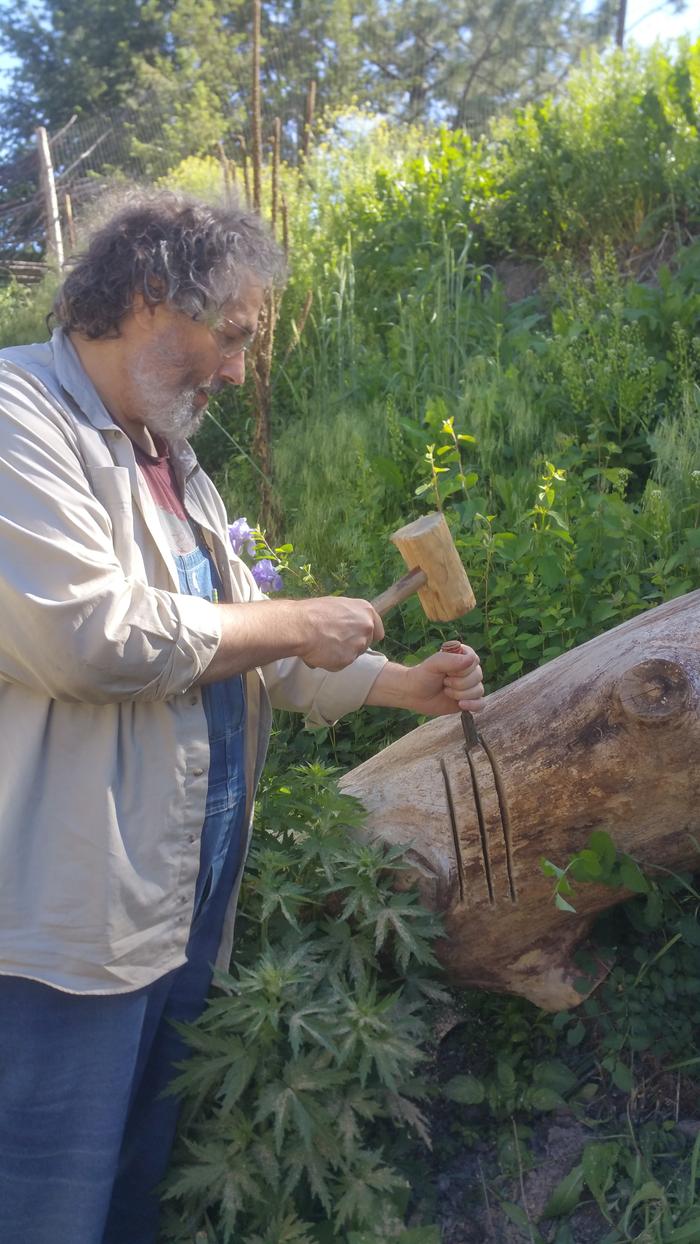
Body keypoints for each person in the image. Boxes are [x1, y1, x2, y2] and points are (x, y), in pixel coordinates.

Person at [0, 191, 484, 1244]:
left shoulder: (171, 463)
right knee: (39, 1205)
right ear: (147, 294)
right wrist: (295, 614)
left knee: (129, 1196)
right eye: (231, 337)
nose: (234, 371)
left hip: (176, 912)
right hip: (58, 932)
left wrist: (403, 683)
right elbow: (90, 636)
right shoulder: (17, 419)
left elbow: (243, 650)